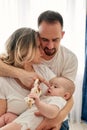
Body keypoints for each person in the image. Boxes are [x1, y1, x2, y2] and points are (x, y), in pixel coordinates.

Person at [0, 10, 78, 130]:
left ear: (62, 35)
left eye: (55, 40)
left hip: (56, 117)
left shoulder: (51, 66)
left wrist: (56, 120)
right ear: (27, 49)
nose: (48, 47)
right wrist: (22, 74)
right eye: (43, 41)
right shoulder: (5, 79)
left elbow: (67, 93)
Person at [0, 27, 56, 128]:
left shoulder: (43, 70)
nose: (43, 52)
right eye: (38, 47)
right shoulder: (3, 82)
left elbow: (65, 95)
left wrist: (56, 121)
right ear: (25, 49)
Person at [0, 77, 75, 130]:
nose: (50, 87)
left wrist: (38, 103)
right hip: (23, 120)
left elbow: (52, 113)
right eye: (50, 85)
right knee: (7, 116)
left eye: (55, 87)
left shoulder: (58, 100)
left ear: (65, 95)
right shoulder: (47, 97)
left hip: (27, 125)